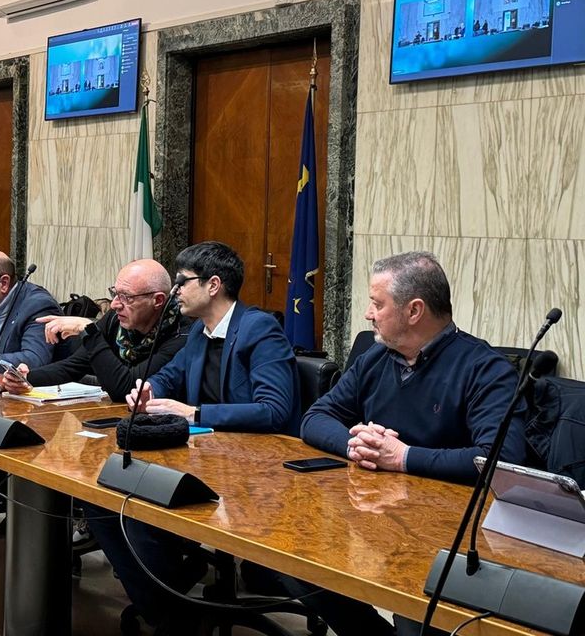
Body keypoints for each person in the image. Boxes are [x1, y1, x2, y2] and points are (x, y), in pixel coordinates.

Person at [277, 251, 527, 636]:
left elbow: (499, 461)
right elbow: (315, 417)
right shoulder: (376, 357)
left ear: (414, 311)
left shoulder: (485, 369)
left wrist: (403, 457)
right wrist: (355, 445)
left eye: (377, 304)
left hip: (445, 534)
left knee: (417, 623)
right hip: (372, 518)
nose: (368, 314)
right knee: (295, 560)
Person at [86, 241, 301, 636]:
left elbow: (274, 411)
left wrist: (195, 413)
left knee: (139, 512)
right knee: (103, 500)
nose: (175, 292)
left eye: (182, 282)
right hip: (206, 458)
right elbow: (170, 376)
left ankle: (173, 611)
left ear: (213, 285)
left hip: (256, 472)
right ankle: (167, 609)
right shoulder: (200, 333)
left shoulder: (259, 330)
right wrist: (148, 390)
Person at [0, 258, 189, 401]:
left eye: (126, 297)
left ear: (157, 300)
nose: (115, 304)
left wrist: (88, 330)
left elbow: (126, 388)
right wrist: (26, 378)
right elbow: (75, 366)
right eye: (115, 293)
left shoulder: (182, 334)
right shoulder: (116, 319)